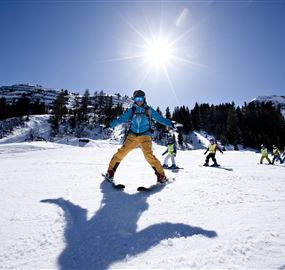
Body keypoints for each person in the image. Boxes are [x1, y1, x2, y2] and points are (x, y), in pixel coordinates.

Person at [105, 90, 174, 183]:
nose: (138, 101)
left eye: (140, 98)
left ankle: (161, 176)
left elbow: (159, 118)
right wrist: (110, 125)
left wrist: (170, 123)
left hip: (145, 135)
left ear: (144, 99)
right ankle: (110, 172)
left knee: (148, 155)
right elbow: (122, 118)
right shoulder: (132, 110)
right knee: (121, 152)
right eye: (136, 99)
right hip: (132, 135)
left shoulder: (148, 110)